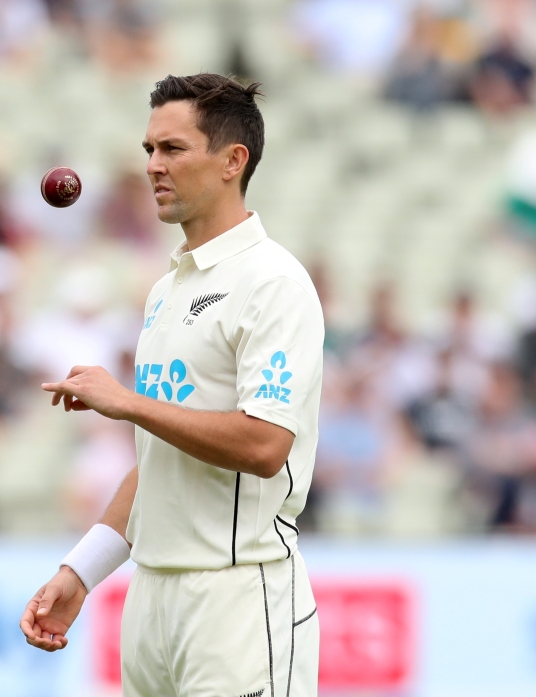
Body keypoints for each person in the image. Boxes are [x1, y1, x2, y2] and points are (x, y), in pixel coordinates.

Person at [20, 74, 323, 697]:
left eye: (173, 149)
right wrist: (81, 572)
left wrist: (127, 403)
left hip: (238, 596)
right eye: (149, 150)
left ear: (232, 161)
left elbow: (266, 447)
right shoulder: (166, 290)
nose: (153, 166)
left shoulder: (274, 282)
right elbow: (160, 460)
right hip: (152, 599)